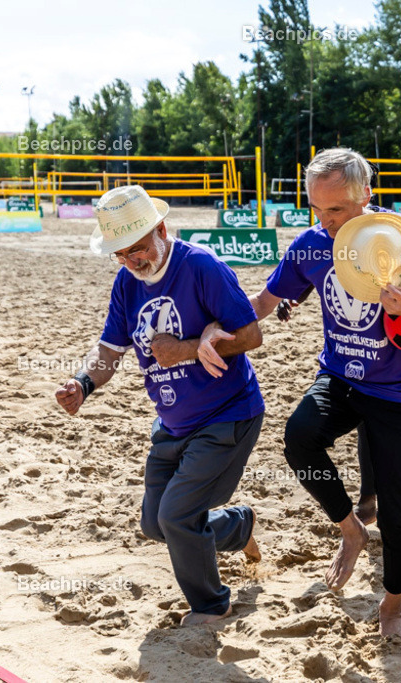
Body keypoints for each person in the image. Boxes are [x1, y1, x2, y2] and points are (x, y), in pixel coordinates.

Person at [243, 148, 401, 637]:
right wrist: (212, 328)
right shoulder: (310, 245)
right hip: (342, 379)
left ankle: (393, 603)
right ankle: (350, 530)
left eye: (337, 210)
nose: (325, 222)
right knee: (299, 436)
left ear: (365, 196)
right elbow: (263, 301)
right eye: (317, 210)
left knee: (397, 514)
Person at [55, 185, 265, 626]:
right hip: (172, 422)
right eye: (121, 253)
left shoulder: (201, 266)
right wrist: (82, 383)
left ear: (161, 229)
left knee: (176, 516)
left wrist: (185, 349)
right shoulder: (126, 284)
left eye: (138, 248)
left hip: (226, 414)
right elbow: (110, 351)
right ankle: (238, 526)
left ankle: (212, 606)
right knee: (155, 523)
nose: (133, 260)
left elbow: (251, 336)